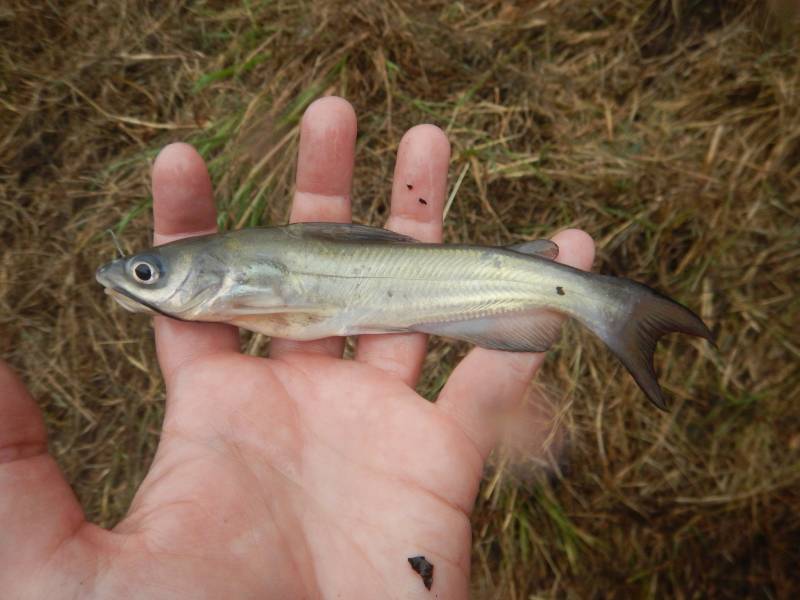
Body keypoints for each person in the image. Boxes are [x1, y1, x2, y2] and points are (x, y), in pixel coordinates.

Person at [0, 97, 594, 598]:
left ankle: (590, 298)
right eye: (148, 273)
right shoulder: (229, 282)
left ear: (217, 275)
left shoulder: (236, 283)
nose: (135, 278)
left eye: (148, 273)